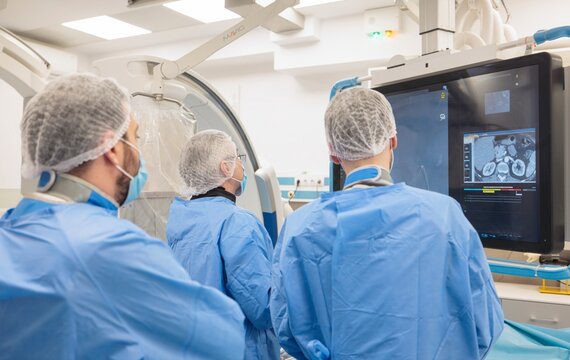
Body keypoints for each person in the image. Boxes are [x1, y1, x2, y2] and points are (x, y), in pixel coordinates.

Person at [0, 73, 245, 359]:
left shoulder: (9, 229)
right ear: (113, 149)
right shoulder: (112, 247)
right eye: (135, 137)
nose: (138, 150)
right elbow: (221, 339)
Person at [270, 87, 504, 359]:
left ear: (333, 154)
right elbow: (484, 326)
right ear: (393, 141)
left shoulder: (300, 228)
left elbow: (287, 330)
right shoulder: (445, 217)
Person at [167, 130, 279, 360]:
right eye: (237, 157)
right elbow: (264, 310)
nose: (241, 164)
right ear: (225, 168)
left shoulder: (180, 219)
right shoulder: (237, 223)